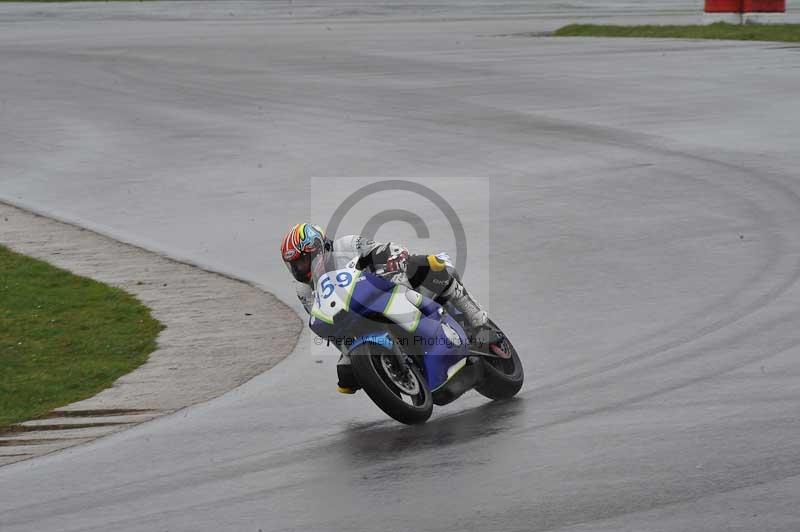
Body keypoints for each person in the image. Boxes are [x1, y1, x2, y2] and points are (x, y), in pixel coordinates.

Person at [280, 223, 500, 393]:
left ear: (317, 247)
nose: (299, 268)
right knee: (345, 370)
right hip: (354, 316)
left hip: (386, 285)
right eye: (295, 265)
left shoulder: (345, 245)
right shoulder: (304, 291)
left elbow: (378, 249)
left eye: (302, 260)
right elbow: (324, 319)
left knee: (427, 266)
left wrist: (394, 257)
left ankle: (477, 319)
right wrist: (351, 357)